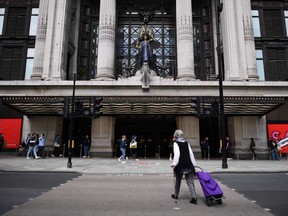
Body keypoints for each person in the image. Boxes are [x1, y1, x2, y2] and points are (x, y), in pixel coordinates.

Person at [170, 129, 197, 204]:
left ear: (176, 136)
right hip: (188, 164)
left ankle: (176, 194)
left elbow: (177, 154)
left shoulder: (176, 143)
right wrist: (194, 164)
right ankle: (194, 196)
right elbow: (191, 154)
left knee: (178, 180)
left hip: (180, 165)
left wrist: (174, 163)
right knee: (190, 181)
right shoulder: (186, 143)